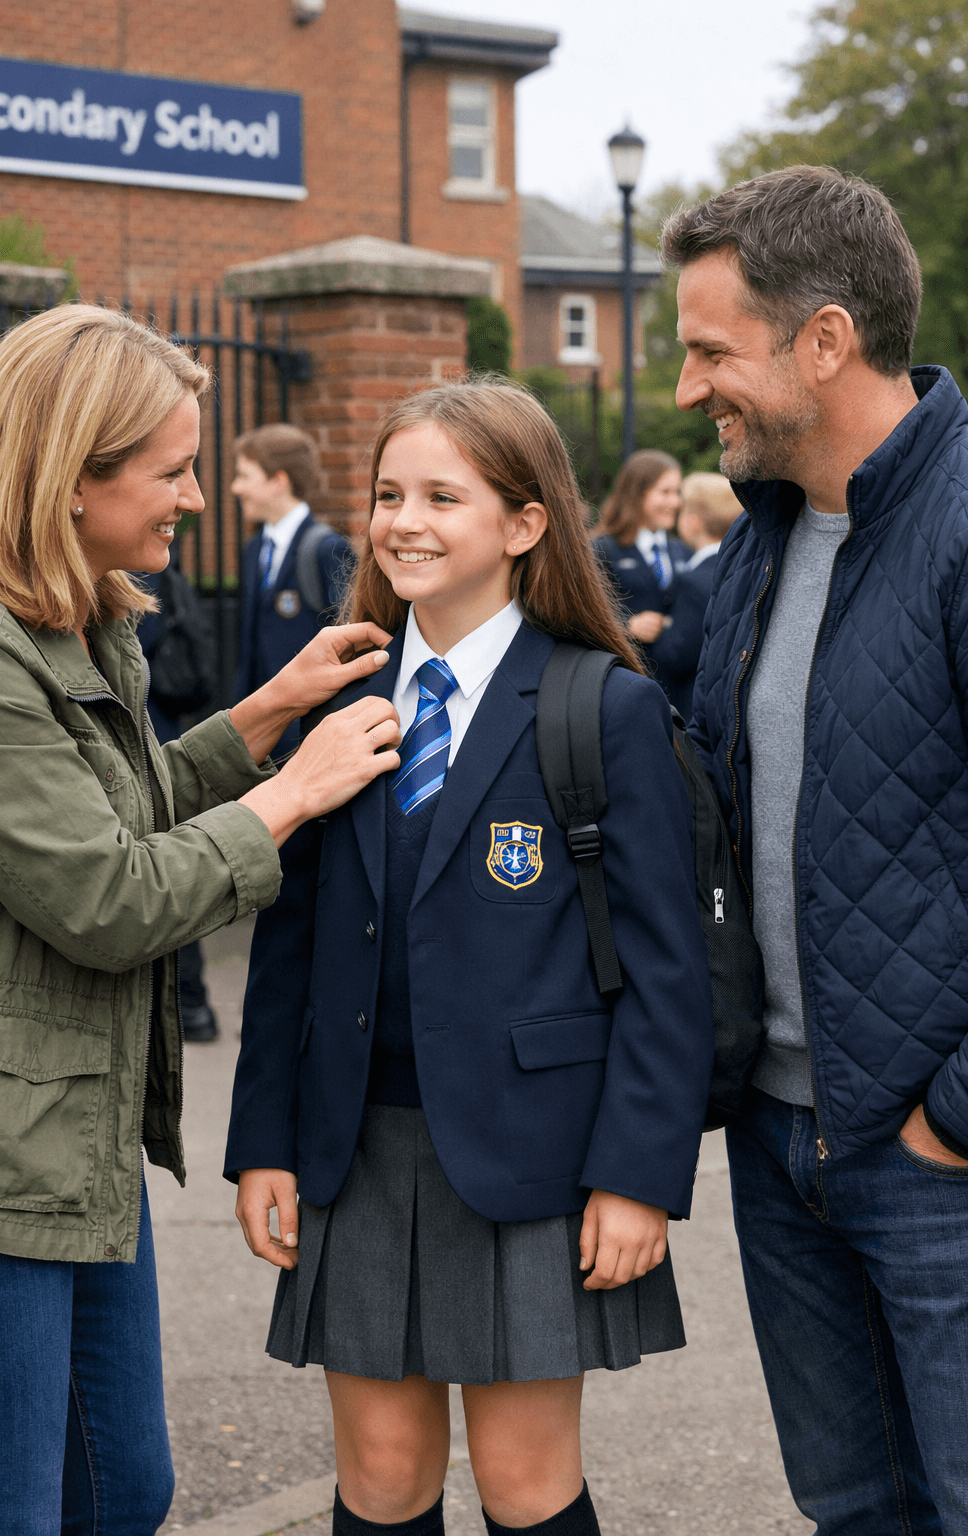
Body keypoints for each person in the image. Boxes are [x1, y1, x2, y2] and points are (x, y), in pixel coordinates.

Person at [225, 380, 714, 1536]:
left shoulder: (602, 709)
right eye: (390, 493)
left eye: (444, 495)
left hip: (532, 1157)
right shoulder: (339, 699)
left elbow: (666, 973)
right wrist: (264, 1144)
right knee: (382, 1479)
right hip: (354, 1145)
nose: (405, 520)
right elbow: (285, 952)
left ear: (526, 521)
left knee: (523, 1483)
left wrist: (639, 1174)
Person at [0, 303, 401, 1535]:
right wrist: (296, 796)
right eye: (171, 470)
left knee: (124, 1490)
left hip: (73, 1145)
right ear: (68, 475)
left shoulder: (80, 616)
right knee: (4, 1507)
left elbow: (129, 803)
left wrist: (269, 713)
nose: (195, 497)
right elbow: (107, 894)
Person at [665, 163, 968, 1532]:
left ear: (826, 340)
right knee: (852, 1510)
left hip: (934, 1157)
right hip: (782, 1150)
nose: (687, 390)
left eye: (711, 351)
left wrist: (953, 1119)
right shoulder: (760, 544)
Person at [136, 544, 221, 1042]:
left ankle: (189, 1001)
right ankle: (192, 1002)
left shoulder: (137, 574)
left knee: (162, 868)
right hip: (162, 730)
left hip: (153, 731)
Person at [233, 423, 354, 754]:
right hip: (259, 731)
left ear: (278, 481)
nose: (235, 487)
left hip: (305, 734)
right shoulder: (255, 548)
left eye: (245, 476)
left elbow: (349, 642)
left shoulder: (326, 548)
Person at [654, 473, 743, 720]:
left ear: (692, 523)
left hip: (694, 708)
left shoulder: (694, 581)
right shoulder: (743, 568)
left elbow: (676, 655)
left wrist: (660, 630)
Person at [592, 449, 688, 664]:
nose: (675, 502)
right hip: (624, 669)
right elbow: (583, 613)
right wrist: (627, 625)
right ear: (637, 493)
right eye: (665, 492)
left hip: (675, 680)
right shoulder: (601, 549)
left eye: (678, 492)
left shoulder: (683, 551)